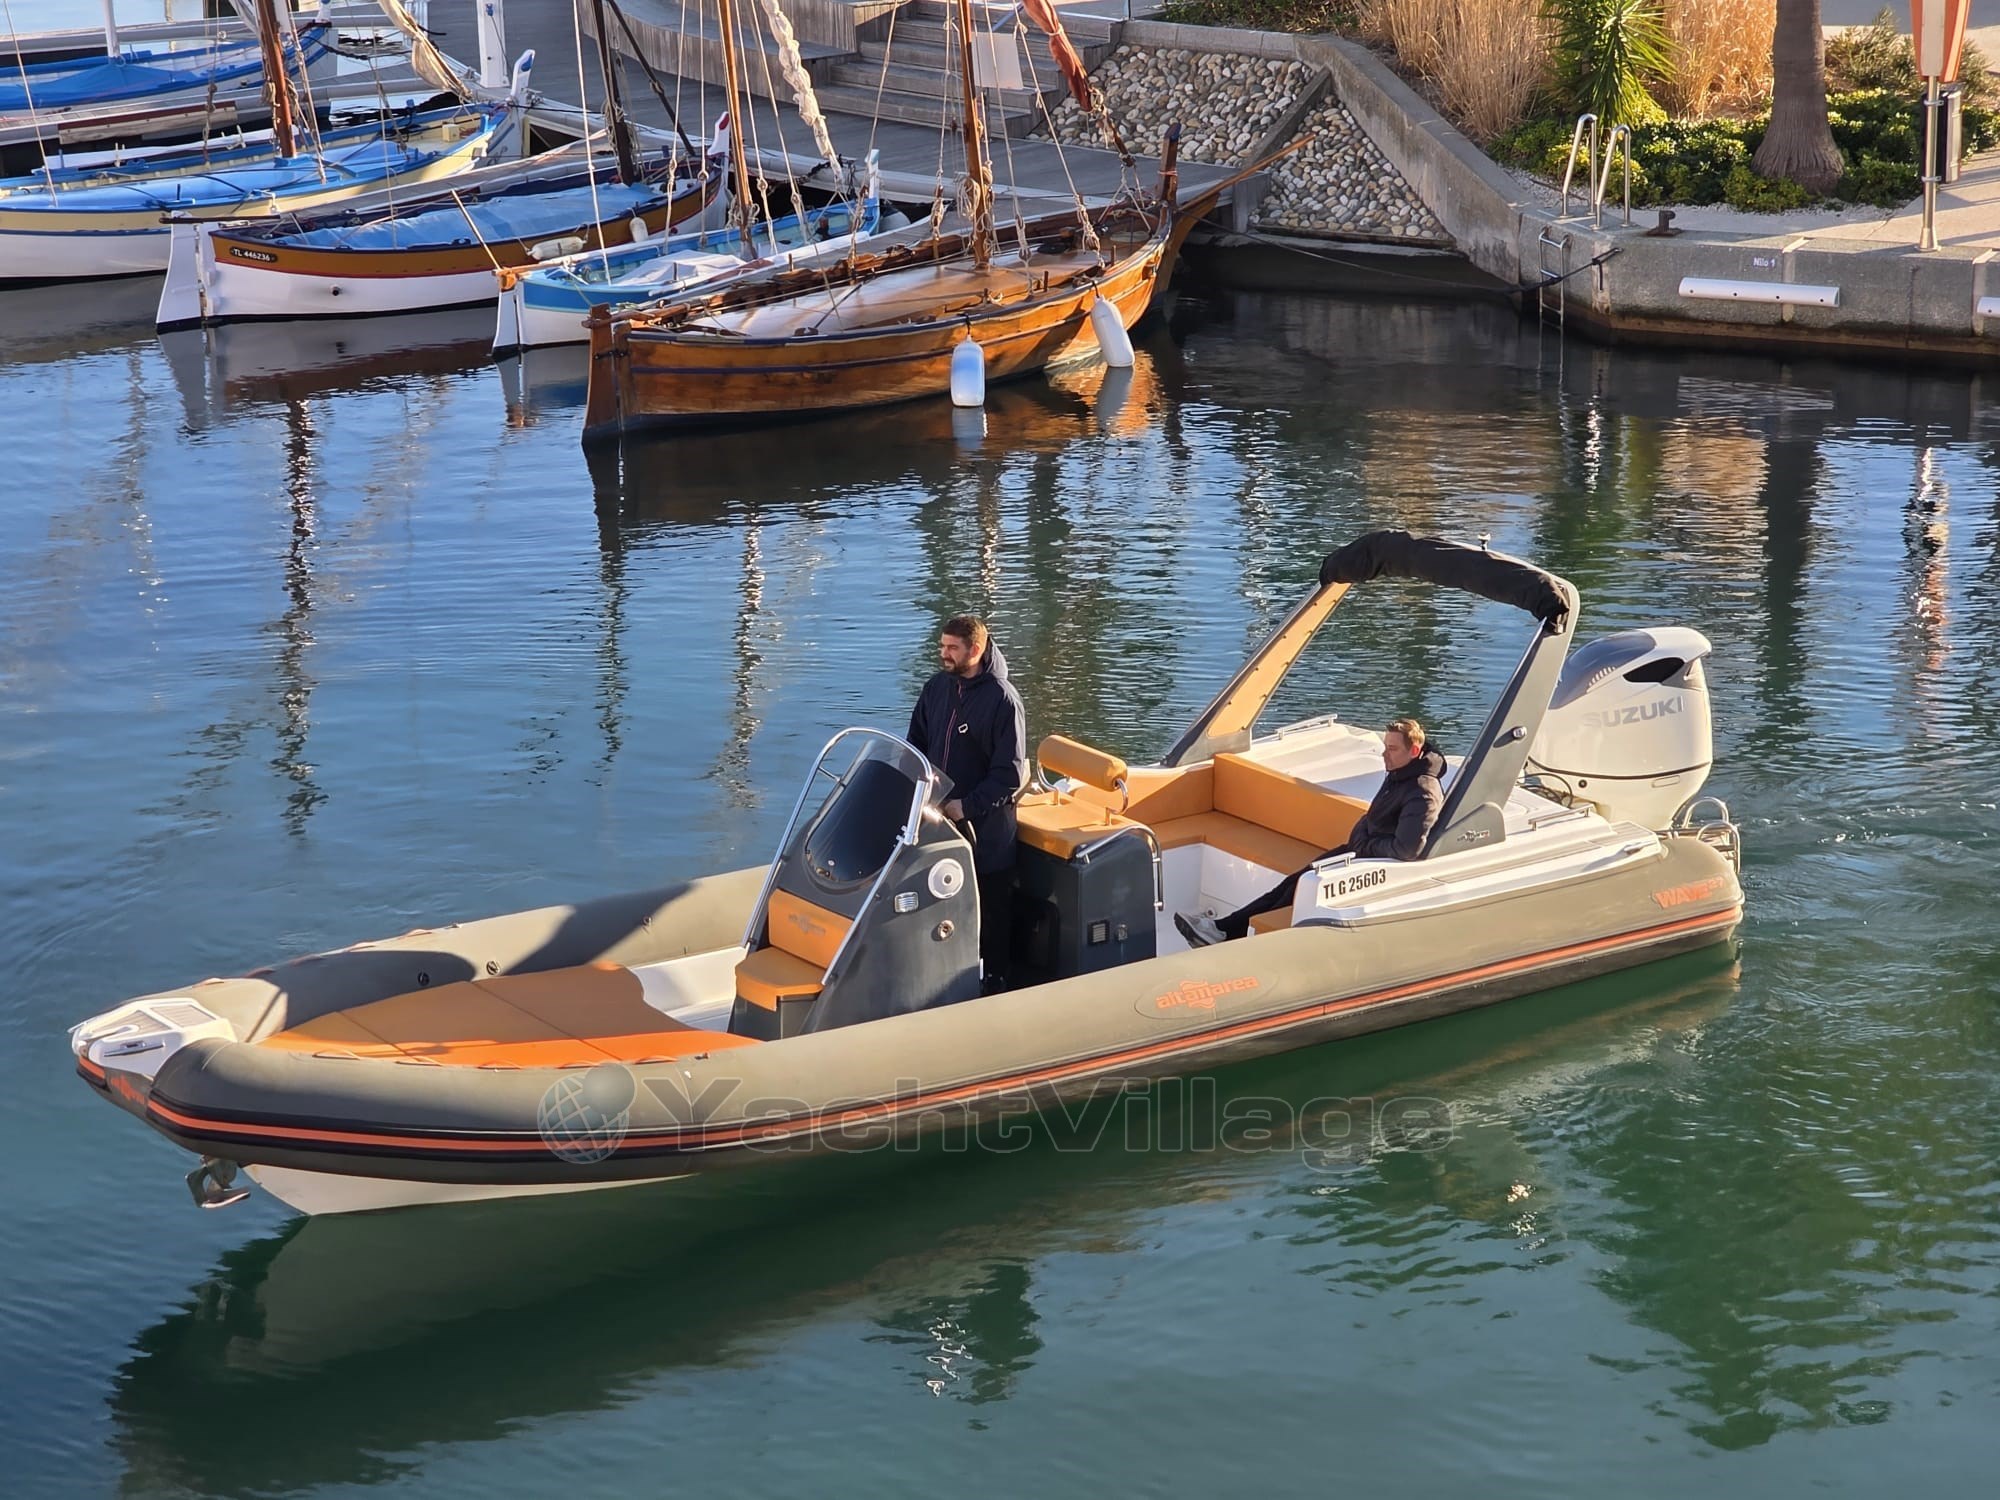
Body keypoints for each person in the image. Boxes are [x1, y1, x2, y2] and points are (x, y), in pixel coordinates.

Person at [1176, 718, 1445, 947]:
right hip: (1358, 851)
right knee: (1290, 885)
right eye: (1385, 747)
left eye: (1392, 749)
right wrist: (1362, 837)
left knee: (1297, 889)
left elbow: (1407, 849)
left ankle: (1224, 933)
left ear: (1414, 750)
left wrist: (1364, 843)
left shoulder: (1422, 792)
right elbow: (1374, 818)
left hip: (1371, 865)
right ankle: (1223, 929)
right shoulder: (1399, 775)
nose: (1385, 754)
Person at [908, 614, 1027, 990]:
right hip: (939, 822)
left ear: (975, 649)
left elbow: (1008, 775)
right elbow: (915, 746)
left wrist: (966, 806)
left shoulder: (1003, 701)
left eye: (952, 648)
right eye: (942, 646)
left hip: (986, 830)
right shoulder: (936, 688)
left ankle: (996, 981)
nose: (943, 653)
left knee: (991, 910)